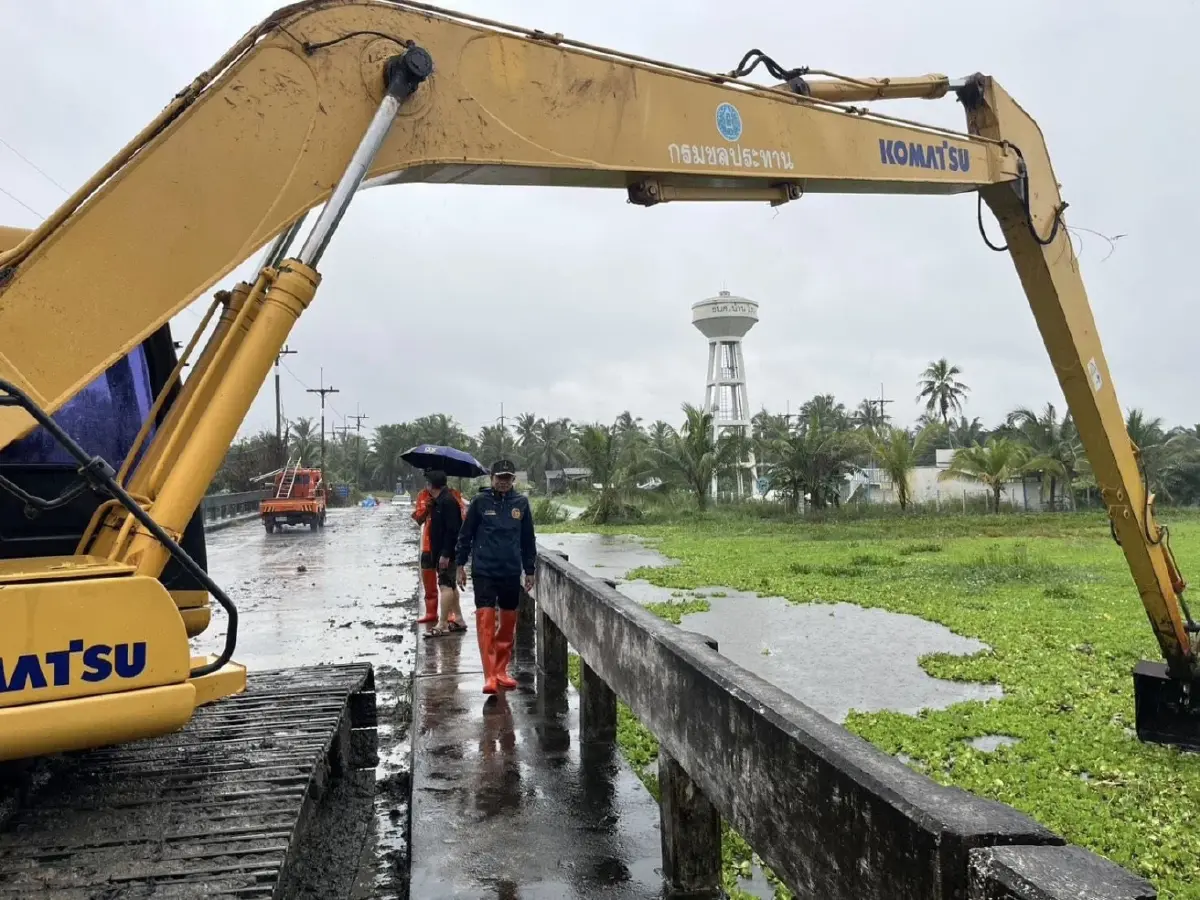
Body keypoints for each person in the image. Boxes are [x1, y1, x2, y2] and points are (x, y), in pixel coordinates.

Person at [455, 459, 536, 694]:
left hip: (511, 571)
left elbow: (528, 540)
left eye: (507, 478)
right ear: (491, 478)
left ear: (513, 480)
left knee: (508, 623)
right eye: (499, 477)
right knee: (486, 621)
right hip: (484, 571)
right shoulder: (480, 502)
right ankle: (489, 674)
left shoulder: (521, 503)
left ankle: (501, 670)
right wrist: (460, 564)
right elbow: (466, 535)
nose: (503, 482)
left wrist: (529, 570)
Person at [413, 470, 468, 626]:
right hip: (428, 544)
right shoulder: (423, 496)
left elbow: (458, 522)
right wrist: (428, 509)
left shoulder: (451, 496)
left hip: (445, 546)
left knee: (446, 582)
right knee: (430, 581)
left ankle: (448, 617)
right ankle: (431, 612)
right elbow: (418, 519)